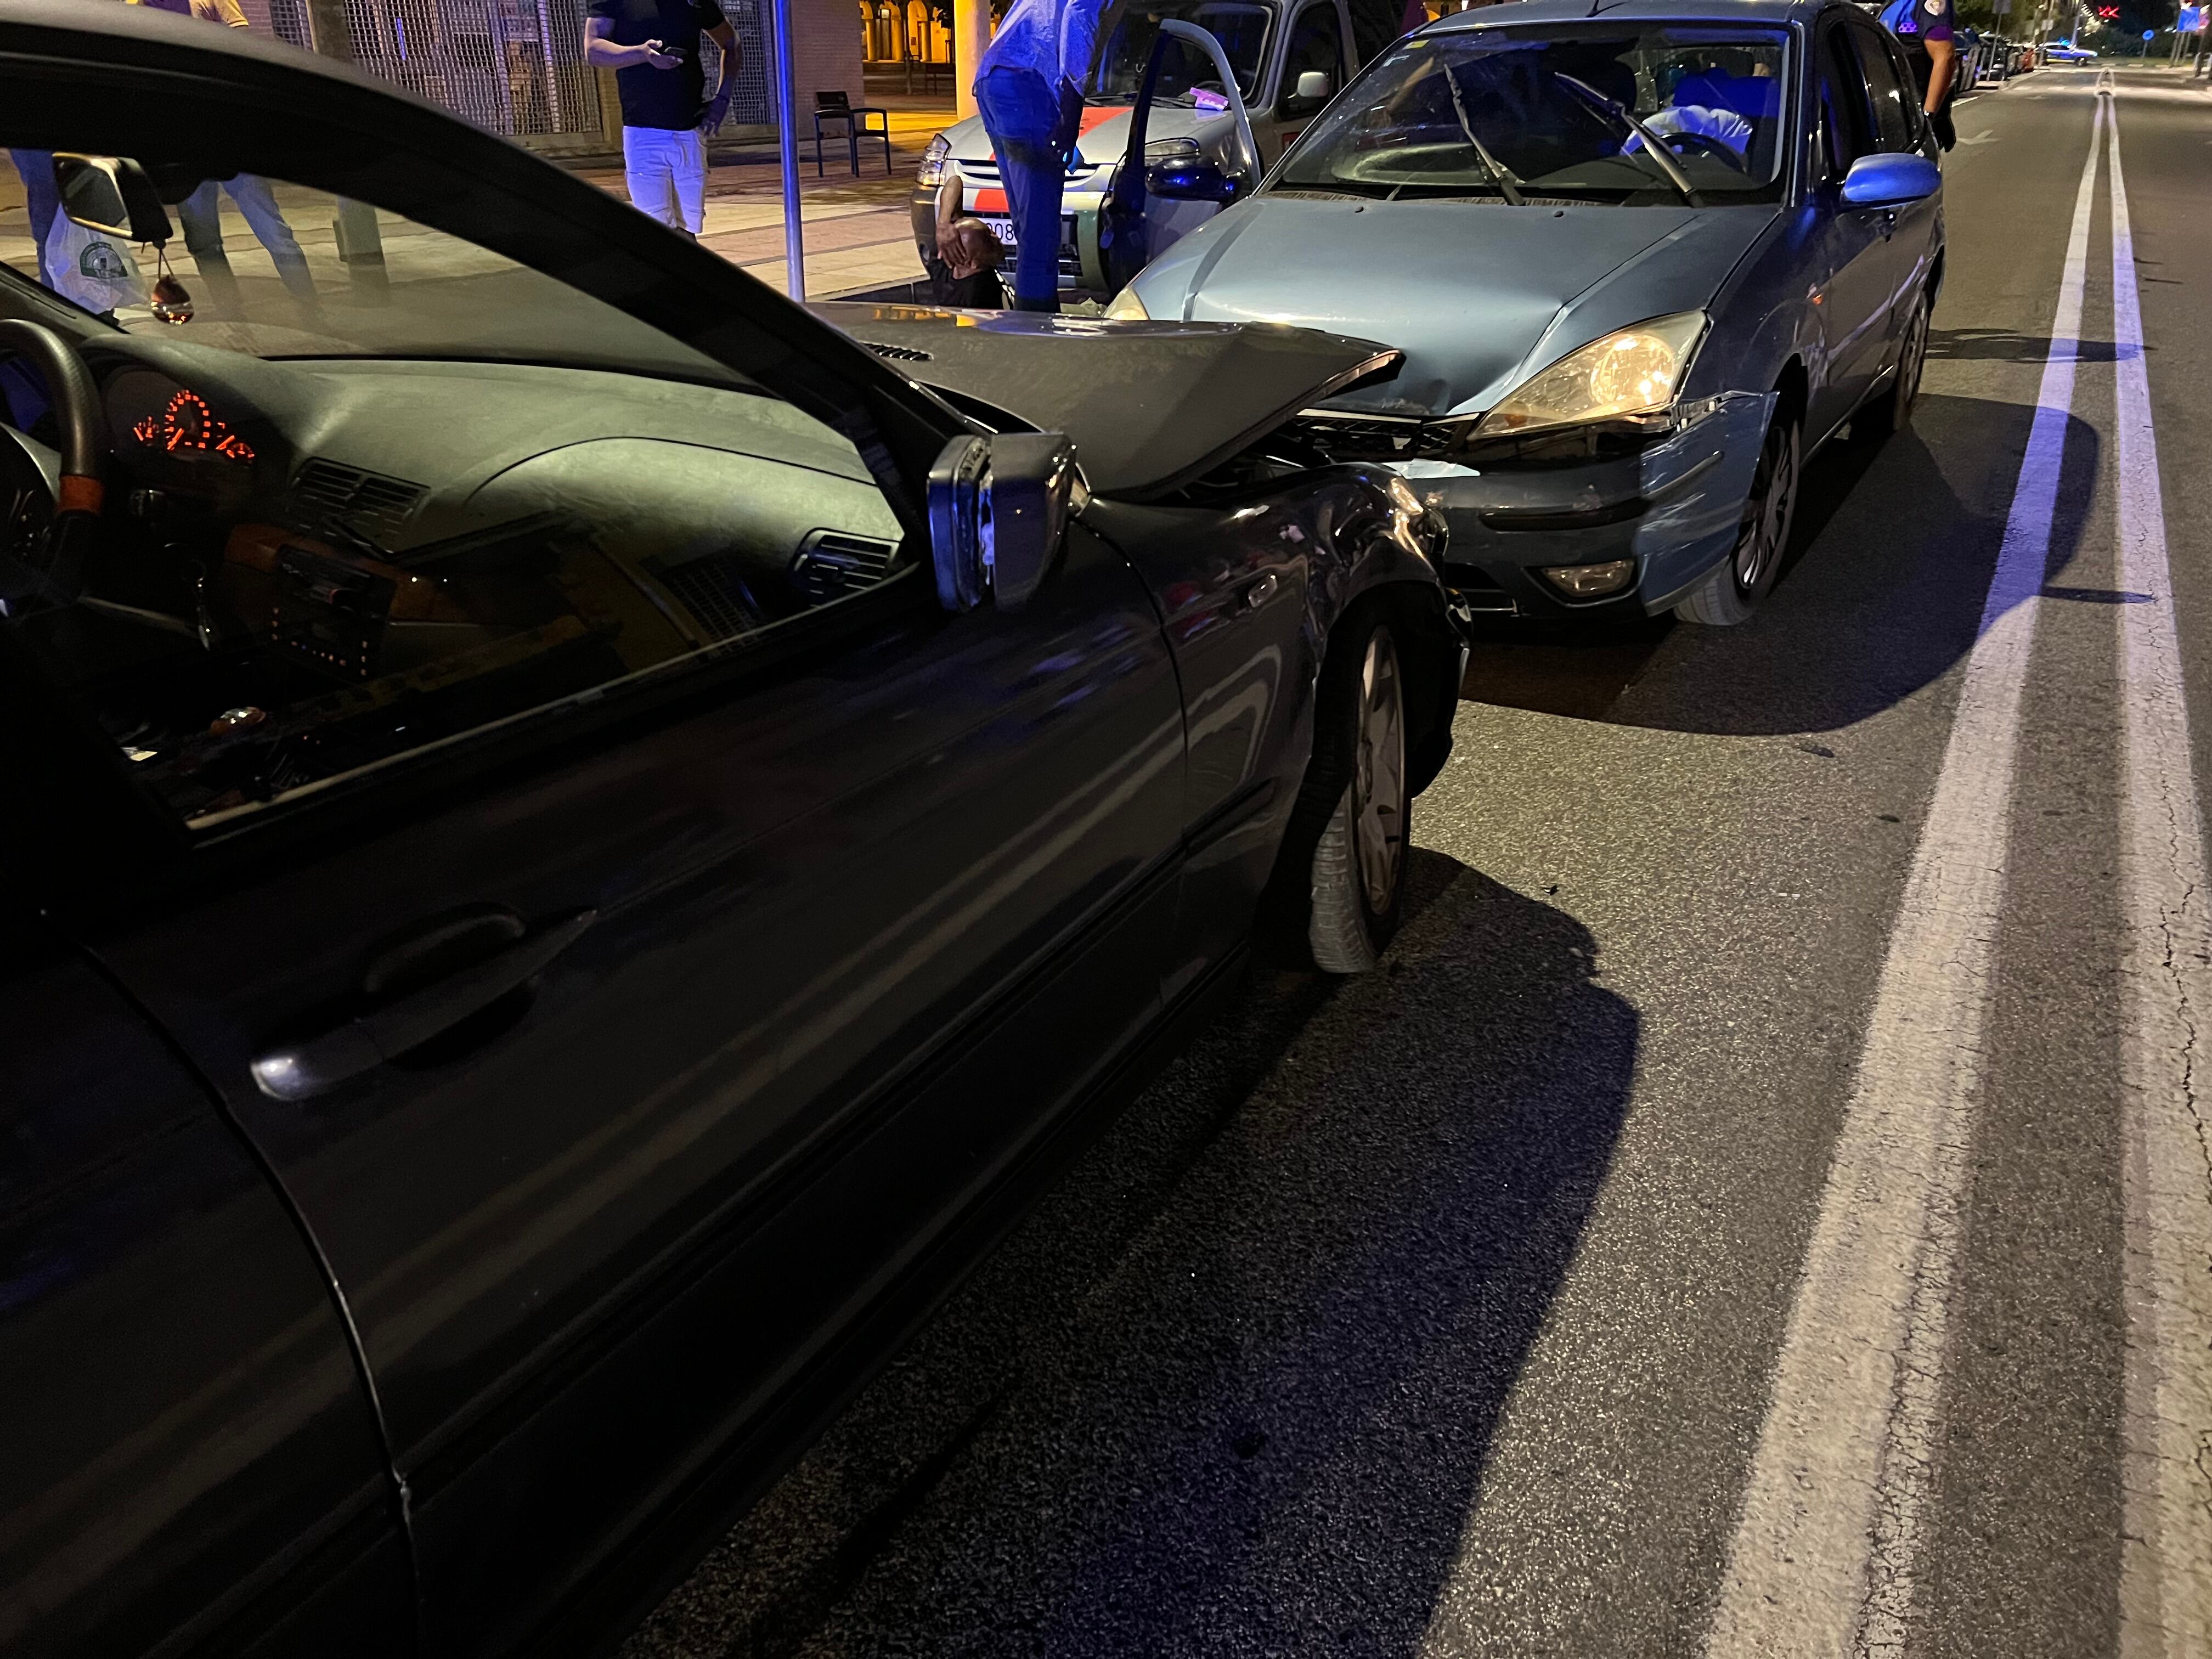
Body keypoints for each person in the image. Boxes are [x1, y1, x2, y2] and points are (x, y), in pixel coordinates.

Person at [125, 0, 320, 311]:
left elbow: (242, 44)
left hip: (228, 138)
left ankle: (310, 308)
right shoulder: (132, 9)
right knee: (204, 244)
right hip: (183, 147)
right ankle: (234, 315)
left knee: (274, 232)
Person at [972, 0, 1107, 312]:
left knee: (1028, 226)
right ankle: (1038, 332)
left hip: (996, 80)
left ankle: (1030, 318)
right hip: (1028, 81)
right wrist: (1070, 123)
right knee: (1039, 233)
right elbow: (1079, 22)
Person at [585, 0, 738, 241]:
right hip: (642, 131)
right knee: (655, 232)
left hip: (690, 129)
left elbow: (730, 42)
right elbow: (593, 49)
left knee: (689, 231)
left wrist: (722, 99)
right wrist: (642, 54)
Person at [1878, 0, 1960, 151]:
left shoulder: (1923, 3)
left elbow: (1945, 56)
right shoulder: (1891, 6)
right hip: (1889, 117)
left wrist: (1928, 118)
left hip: (1912, 125)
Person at [927, 177, 1007, 307]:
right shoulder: (982, 290)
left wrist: (943, 225)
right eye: (988, 238)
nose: (996, 236)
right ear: (973, 263)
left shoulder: (944, 270)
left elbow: (954, 181)